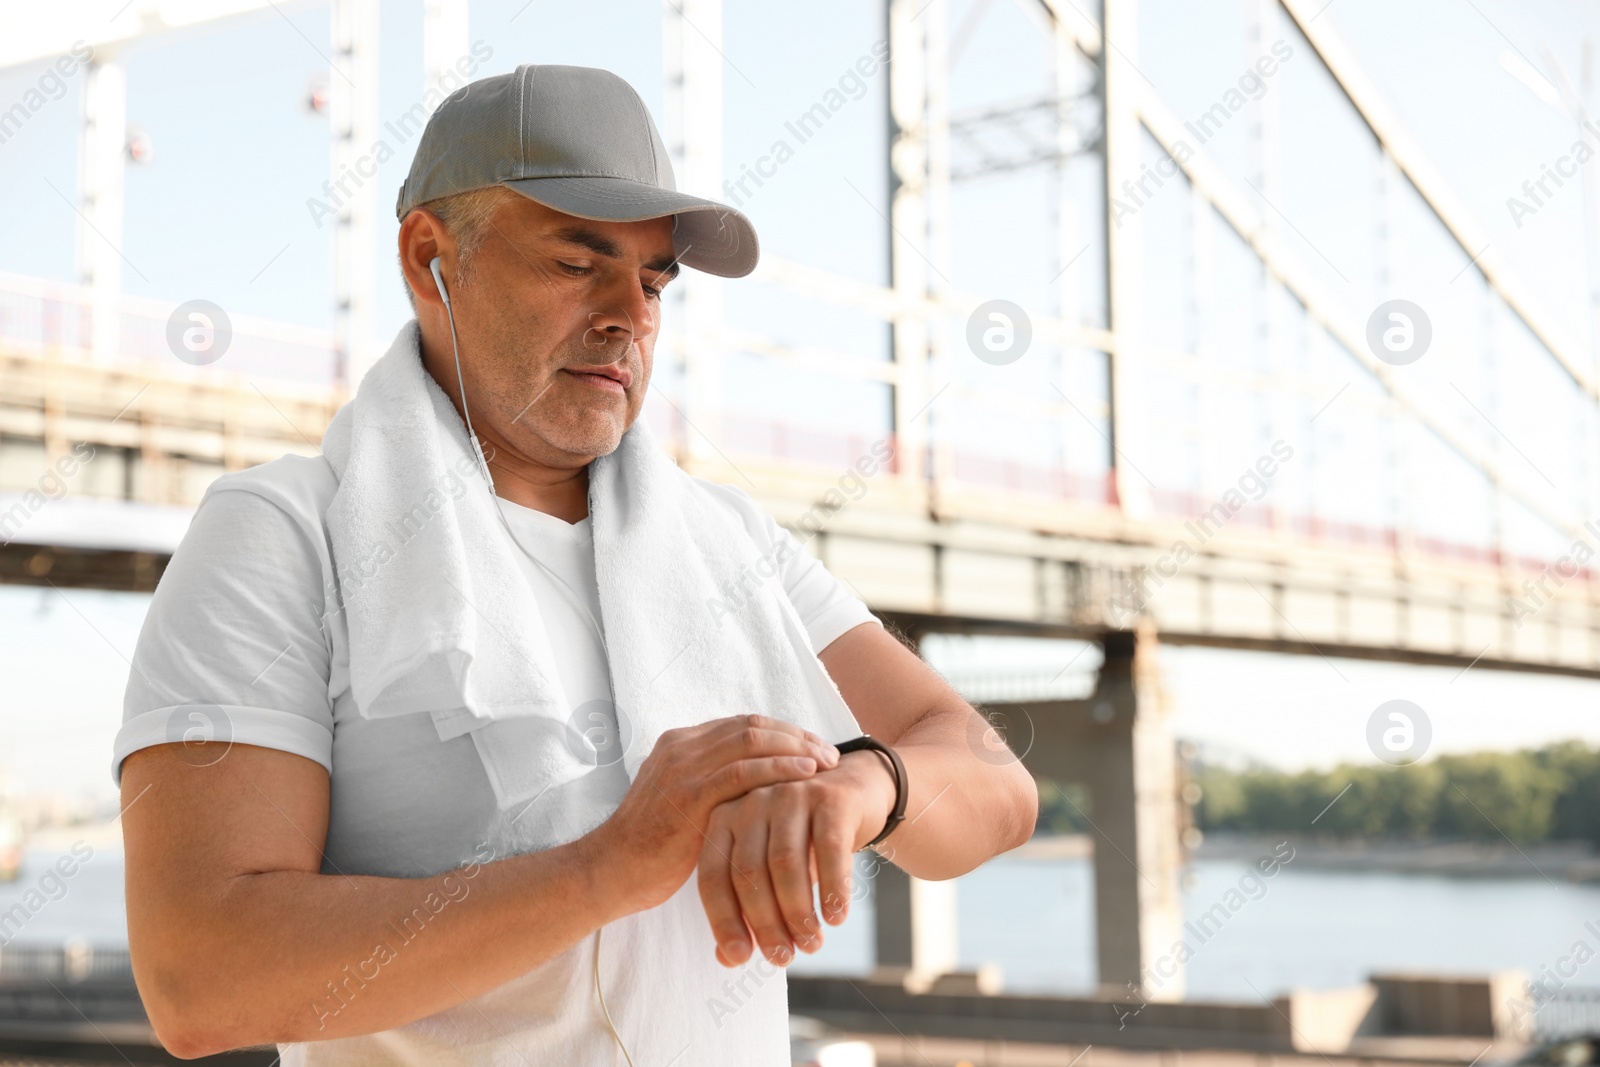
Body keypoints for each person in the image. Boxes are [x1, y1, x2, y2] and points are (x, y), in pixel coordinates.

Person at [113, 62, 1037, 1065]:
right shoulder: (285, 536)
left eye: (651, 280)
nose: (629, 316)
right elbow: (198, 977)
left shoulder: (731, 543)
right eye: (576, 261)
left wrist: (864, 789)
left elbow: (995, 786)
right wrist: (606, 866)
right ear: (430, 259)